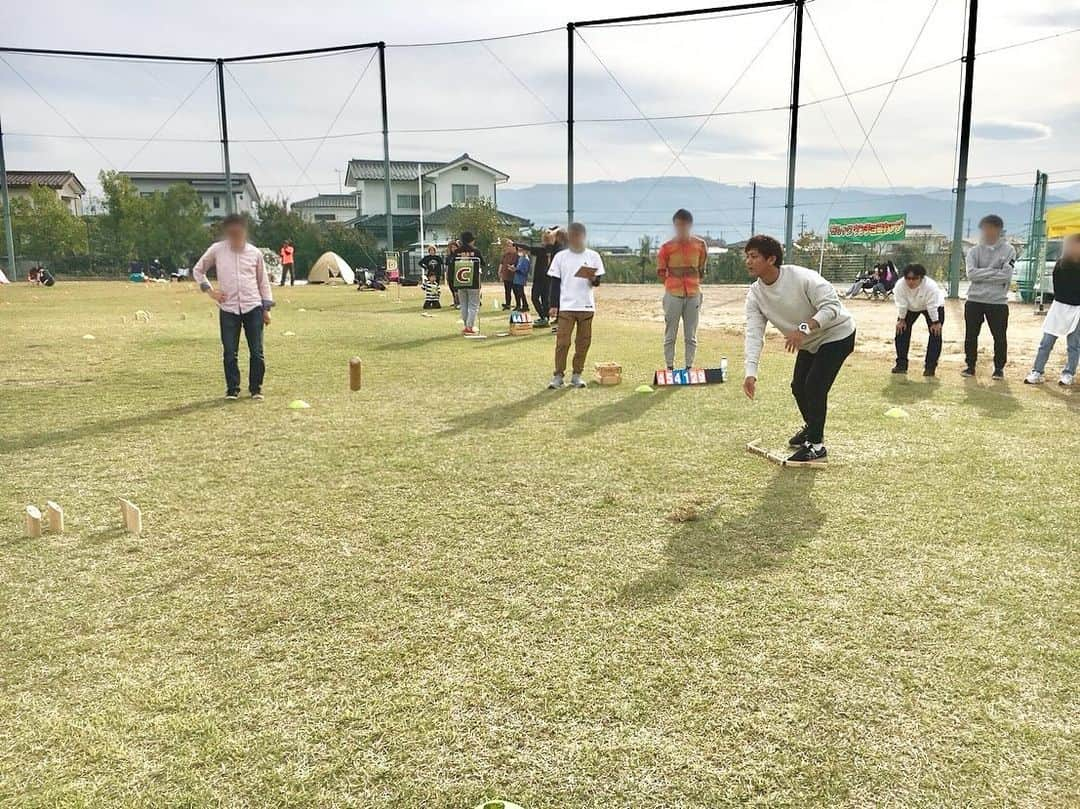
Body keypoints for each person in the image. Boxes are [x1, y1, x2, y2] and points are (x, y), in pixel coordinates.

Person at [743, 234, 856, 465]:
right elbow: (754, 333)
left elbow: (832, 306)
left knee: (814, 386)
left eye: (754, 256)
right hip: (809, 341)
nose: (748, 261)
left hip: (837, 334)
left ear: (771, 259)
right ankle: (812, 429)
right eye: (747, 256)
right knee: (798, 387)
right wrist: (750, 372)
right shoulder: (755, 294)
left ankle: (816, 448)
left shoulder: (802, 277)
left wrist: (803, 328)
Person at [192, 213, 274, 400]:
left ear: (244, 232)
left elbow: (263, 282)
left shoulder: (255, 253)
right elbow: (198, 270)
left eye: (239, 233)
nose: (235, 237)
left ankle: (256, 388)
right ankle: (232, 389)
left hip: (253, 306)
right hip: (228, 308)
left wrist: (266, 309)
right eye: (232, 234)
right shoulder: (217, 250)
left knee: (257, 351)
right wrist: (210, 291)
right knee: (230, 351)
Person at [547, 222, 605, 389]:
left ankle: (577, 375)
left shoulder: (593, 256)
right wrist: (553, 304)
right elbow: (555, 282)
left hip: (586, 306)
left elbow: (597, 282)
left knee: (583, 343)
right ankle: (558, 376)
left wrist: (593, 278)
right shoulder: (560, 256)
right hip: (566, 306)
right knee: (563, 342)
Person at [963, 214, 1016, 379]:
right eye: (984, 228)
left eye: (991, 228)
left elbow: (1006, 276)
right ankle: (970, 366)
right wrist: (995, 271)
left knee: (999, 337)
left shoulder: (1009, 250)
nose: (987, 232)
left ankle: (999, 368)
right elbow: (971, 274)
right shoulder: (973, 251)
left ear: (999, 230)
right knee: (971, 335)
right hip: (974, 300)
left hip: (998, 302)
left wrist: (983, 273)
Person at [1025, 233, 1080, 387]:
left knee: (1073, 345)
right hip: (1059, 307)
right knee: (1046, 342)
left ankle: (1068, 373)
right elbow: (1059, 289)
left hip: (1078, 310)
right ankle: (1037, 371)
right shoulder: (1061, 265)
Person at [657, 208, 708, 370]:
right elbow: (660, 271)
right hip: (673, 293)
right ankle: (669, 367)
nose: (681, 228)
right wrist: (672, 282)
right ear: (674, 225)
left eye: (684, 225)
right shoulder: (667, 247)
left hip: (693, 293)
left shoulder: (700, 245)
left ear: (690, 225)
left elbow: (702, 268)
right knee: (670, 333)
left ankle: (689, 367)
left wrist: (692, 279)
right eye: (678, 225)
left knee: (691, 334)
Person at [892, 264, 945, 377]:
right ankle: (901, 365)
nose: (911, 282)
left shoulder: (931, 286)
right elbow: (902, 304)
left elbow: (932, 306)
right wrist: (901, 320)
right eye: (908, 278)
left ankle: (930, 368)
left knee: (936, 333)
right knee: (901, 331)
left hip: (933, 307)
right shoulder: (899, 286)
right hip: (910, 307)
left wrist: (935, 322)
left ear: (921, 278)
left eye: (914, 278)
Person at [517, 227, 565, 329]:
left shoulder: (547, 249)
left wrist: (514, 244)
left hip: (544, 278)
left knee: (538, 298)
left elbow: (528, 247)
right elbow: (529, 248)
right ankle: (545, 317)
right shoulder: (546, 249)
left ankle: (545, 317)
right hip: (545, 278)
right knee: (544, 299)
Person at [449, 232, 485, 335]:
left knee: (464, 304)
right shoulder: (475, 251)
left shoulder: (457, 251)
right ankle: (470, 327)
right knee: (473, 305)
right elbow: (483, 262)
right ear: (471, 240)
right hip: (473, 280)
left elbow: (451, 265)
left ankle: (466, 325)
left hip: (460, 280)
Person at [498, 239, 517, 310]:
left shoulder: (516, 255)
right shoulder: (505, 255)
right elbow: (501, 263)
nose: (508, 247)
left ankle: (518, 305)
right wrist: (500, 272)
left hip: (513, 276)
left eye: (510, 246)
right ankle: (507, 304)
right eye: (507, 246)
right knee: (507, 291)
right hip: (506, 275)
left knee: (516, 291)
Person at [512, 247, 530, 312]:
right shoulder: (521, 258)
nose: (520, 252)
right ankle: (518, 305)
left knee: (521, 293)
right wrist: (513, 268)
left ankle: (525, 306)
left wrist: (517, 270)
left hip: (521, 279)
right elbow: (518, 267)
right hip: (516, 278)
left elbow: (525, 271)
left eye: (522, 250)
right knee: (516, 292)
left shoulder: (526, 259)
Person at [444, 240, 461, 309]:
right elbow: (447, 267)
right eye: (452, 247)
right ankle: (455, 302)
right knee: (452, 290)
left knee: (457, 291)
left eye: (455, 247)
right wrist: (446, 275)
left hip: (457, 276)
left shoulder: (459, 256)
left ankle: (459, 303)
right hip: (450, 275)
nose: (453, 249)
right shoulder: (448, 257)